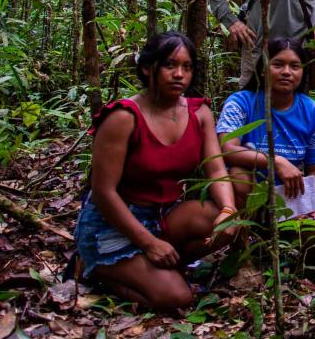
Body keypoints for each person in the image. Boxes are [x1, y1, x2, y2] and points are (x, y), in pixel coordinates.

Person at [75, 32, 238, 312]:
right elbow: (103, 193)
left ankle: (162, 266)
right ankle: (95, 268)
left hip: (165, 215)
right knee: (178, 298)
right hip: (115, 225)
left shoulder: (199, 113)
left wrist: (229, 209)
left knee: (221, 221)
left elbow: (216, 166)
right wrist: (148, 243)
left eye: (187, 67)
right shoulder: (123, 117)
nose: (179, 75)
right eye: (170, 65)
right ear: (148, 68)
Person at [217, 37, 315, 241]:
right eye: (278, 64)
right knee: (239, 174)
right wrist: (275, 161)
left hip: (288, 197)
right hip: (247, 193)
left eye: (295, 66)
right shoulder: (241, 102)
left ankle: (289, 245)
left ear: (303, 72)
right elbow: (227, 149)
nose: (286, 72)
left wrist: (312, 207)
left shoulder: (312, 111)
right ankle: (243, 242)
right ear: (264, 68)